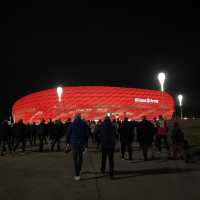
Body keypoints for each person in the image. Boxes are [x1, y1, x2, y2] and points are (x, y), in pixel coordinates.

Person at [66, 113, 89, 181]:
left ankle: (77, 174)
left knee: (75, 158)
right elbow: (87, 134)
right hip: (81, 143)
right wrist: (85, 142)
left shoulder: (72, 124)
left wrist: (67, 142)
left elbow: (68, 134)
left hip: (74, 143)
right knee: (80, 157)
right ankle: (79, 168)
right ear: (80, 117)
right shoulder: (84, 123)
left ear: (75, 117)